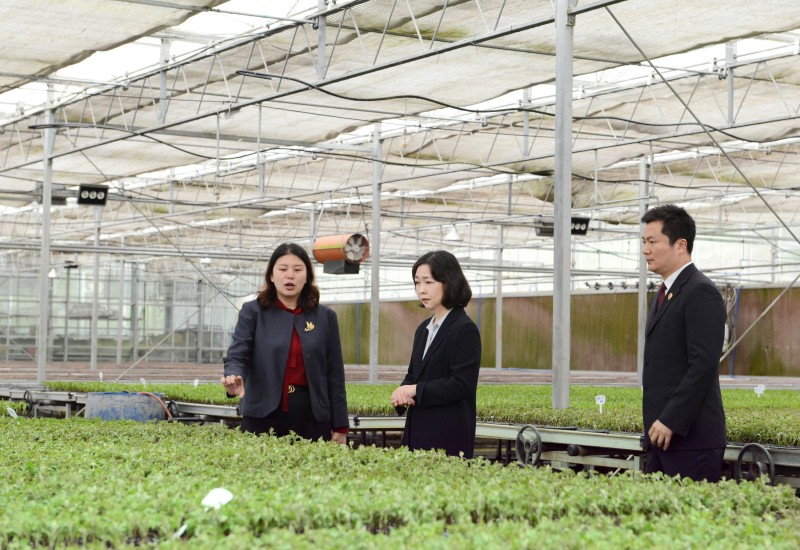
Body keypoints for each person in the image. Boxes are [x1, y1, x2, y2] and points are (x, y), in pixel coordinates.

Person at [221, 243, 349, 444]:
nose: (290, 275)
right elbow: (238, 353)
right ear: (271, 276)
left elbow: (335, 374)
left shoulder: (325, 317)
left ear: (307, 276)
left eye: (297, 270)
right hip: (262, 416)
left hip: (312, 419)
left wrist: (340, 426)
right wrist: (233, 375)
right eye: (282, 269)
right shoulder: (253, 312)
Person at [641, 204, 727, 481]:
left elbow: (703, 365)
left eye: (652, 242)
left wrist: (671, 420)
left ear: (680, 245)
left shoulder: (700, 291)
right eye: (644, 242)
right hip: (660, 437)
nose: (645, 250)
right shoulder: (664, 293)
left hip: (690, 441)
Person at [391, 250, 482, 458]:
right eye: (417, 282)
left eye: (428, 282)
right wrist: (402, 392)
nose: (421, 290)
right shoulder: (423, 329)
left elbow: (461, 384)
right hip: (417, 431)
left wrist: (415, 390)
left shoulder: (464, 329)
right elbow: (414, 374)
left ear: (449, 282)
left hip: (448, 435)